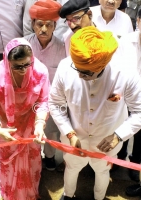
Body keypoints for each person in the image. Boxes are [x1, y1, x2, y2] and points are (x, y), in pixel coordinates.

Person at [49, 26, 141, 200]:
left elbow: (139, 112)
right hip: (74, 139)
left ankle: (99, 198)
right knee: (71, 168)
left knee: (103, 171)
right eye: (77, 68)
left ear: (103, 65)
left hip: (107, 142)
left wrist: (118, 136)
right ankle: (68, 195)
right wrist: (69, 133)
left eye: (86, 73)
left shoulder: (126, 73)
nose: (80, 76)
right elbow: (55, 104)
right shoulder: (65, 67)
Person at [0, 38, 50, 200]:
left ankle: (30, 194)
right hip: (6, 128)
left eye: (27, 64)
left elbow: (43, 101)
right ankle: (10, 195)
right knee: (9, 166)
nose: (24, 70)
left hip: (31, 127)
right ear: (7, 61)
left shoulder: (40, 72)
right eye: (17, 66)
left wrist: (39, 125)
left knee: (31, 164)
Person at [25, 0, 66, 171]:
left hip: (52, 101)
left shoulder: (63, 48)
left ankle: (49, 158)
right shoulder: (23, 45)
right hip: (27, 100)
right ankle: (32, 160)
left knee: (51, 133)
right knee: (29, 134)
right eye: (40, 24)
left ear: (55, 26)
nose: (44, 29)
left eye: (49, 25)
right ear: (33, 24)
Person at [113, 7, 141, 182]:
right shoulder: (125, 42)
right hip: (125, 95)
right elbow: (117, 67)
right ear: (138, 20)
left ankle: (135, 163)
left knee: (140, 135)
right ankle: (118, 159)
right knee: (122, 125)